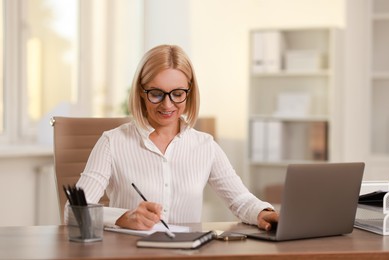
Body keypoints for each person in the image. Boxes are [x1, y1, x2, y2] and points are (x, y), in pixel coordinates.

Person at [73, 44, 279, 231]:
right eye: (156, 93)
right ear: (141, 93)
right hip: (131, 252)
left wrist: (264, 213)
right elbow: (74, 210)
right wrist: (124, 217)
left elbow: (240, 200)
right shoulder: (112, 142)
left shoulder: (205, 145)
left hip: (186, 252)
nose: (167, 105)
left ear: (189, 92)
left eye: (178, 93)